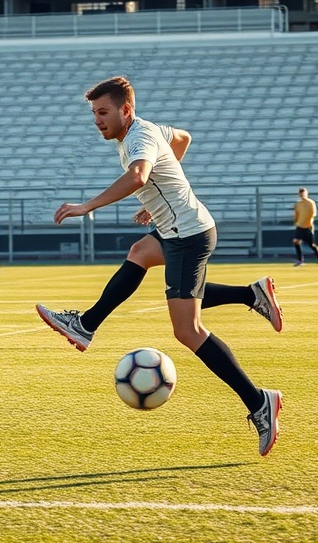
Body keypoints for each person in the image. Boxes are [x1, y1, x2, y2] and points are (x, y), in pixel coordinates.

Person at [36, 76, 282, 456]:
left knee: (188, 330)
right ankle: (85, 325)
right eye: (94, 114)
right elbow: (182, 139)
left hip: (188, 235)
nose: (97, 120)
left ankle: (258, 402)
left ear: (126, 110)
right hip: (178, 228)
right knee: (139, 253)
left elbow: (137, 175)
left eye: (103, 113)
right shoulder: (148, 129)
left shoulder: (139, 138)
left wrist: (88, 206)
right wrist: (159, 195)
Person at [292, 187, 318, 266]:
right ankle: (300, 260)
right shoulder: (298, 204)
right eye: (300, 193)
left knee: (311, 244)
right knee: (296, 241)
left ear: (306, 193)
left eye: (303, 193)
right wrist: (296, 221)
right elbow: (296, 214)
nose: (302, 194)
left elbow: (313, 214)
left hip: (307, 227)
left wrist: (308, 223)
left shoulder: (311, 203)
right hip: (299, 226)